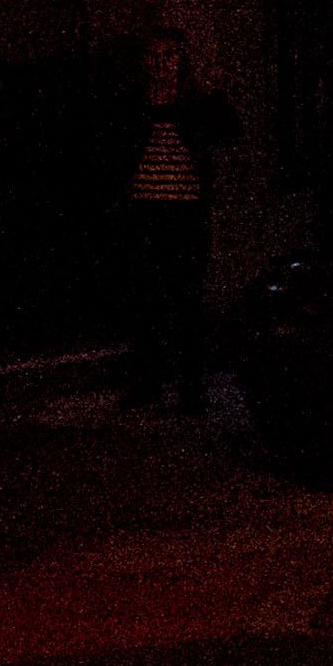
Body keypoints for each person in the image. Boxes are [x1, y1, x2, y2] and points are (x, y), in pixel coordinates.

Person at [111, 30, 238, 411]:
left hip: (185, 214)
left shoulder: (194, 103)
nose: (161, 64)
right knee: (146, 302)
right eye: (155, 56)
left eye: (169, 56)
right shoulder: (134, 104)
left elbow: (229, 131)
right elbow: (116, 147)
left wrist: (215, 96)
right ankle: (147, 384)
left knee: (186, 302)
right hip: (147, 212)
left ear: (181, 62)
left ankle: (189, 389)